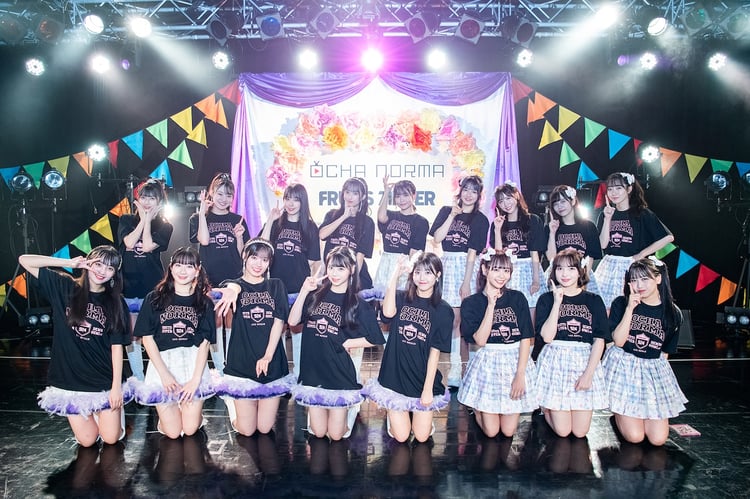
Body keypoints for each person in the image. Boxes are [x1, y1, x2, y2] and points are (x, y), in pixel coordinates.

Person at [20, 246, 132, 446]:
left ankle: (110, 417)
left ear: (114, 274)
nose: (102, 271)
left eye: (109, 268)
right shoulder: (64, 288)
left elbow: (117, 347)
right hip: (70, 379)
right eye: (98, 264)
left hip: (102, 379)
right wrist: (69, 263)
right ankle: (95, 417)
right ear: (88, 263)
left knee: (111, 438)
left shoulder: (116, 303)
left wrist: (116, 388)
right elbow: (24, 260)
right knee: (87, 442)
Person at [288, 246, 385, 441]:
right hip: (313, 370)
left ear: (351, 270)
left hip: (339, 372)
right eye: (331, 267)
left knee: (336, 435)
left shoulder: (357, 303)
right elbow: (292, 321)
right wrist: (304, 291)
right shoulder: (315, 295)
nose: (334, 273)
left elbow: (375, 338)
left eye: (341, 268)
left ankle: (350, 411)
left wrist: (348, 342)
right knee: (319, 432)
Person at [364, 252, 453, 443]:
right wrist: (396, 274)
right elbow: (387, 314)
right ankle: (395, 417)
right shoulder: (401, 297)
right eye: (418, 272)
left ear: (437, 275)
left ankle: (421, 420)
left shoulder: (443, 310)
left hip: (421, 376)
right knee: (402, 436)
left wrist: (427, 389)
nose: (422, 277)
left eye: (428, 272)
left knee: (421, 437)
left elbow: (435, 352)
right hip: (394, 375)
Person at [212, 238, 295, 436]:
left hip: (271, 361)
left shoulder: (276, 285)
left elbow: (278, 322)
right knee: (247, 431)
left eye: (264, 260)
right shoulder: (234, 286)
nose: (259, 264)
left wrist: (267, 356)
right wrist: (232, 290)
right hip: (242, 361)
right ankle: (233, 403)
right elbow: (233, 286)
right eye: (254, 258)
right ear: (244, 257)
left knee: (265, 429)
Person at [131, 247, 215, 439]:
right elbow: (147, 338)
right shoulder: (154, 298)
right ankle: (168, 417)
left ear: (197, 270)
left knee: (190, 429)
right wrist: (165, 375)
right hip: (163, 363)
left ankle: (195, 415)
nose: (183, 271)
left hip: (192, 363)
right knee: (173, 433)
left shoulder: (205, 303)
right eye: (178, 265)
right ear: (171, 267)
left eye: (189, 266)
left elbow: (204, 344)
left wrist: (195, 380)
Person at [604, 257, 687, 446]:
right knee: (635, 437)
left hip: (651, 369)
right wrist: (630, 308)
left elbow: (664, 352)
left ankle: (636, 413)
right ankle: (618, 413)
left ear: (658, 278)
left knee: (658, 440)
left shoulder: (673, 313)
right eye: (634, 280)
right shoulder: (621, 303)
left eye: (644, 279)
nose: (639, 285)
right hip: (625, 365)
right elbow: (618, 341)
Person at [458, 249, 538, 438]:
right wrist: (491, 305)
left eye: (506, 270)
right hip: (488, 363)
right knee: (491, 432)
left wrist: (520, 375)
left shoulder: (517, 298)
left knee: (509, 432)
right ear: (484, 270)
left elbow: (525, 338)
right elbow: (480, 340)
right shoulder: (471, 303)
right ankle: (478, 408)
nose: (502, 276)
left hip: (514, 361)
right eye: (496, 269)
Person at [535, 248, 608, 438]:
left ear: (580, 271)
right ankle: (547, 407)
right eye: (559, 268)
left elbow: (599, 340)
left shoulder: (594, 300)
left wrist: (588, 375)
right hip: (555, 361)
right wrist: (557, 303)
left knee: (580, 432)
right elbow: (547, 337)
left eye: (570, 268)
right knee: (563, 431)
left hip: (583, 361)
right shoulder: (546, 299)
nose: (564, 274)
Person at [429, 175, 489, 388]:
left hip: (466, 267)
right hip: (447, 264)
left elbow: (473, 252)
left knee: (465, 320)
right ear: (460, 191)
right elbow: (437, 238)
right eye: (466, 189)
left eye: (474, 191)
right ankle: (454, 366)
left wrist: (466, 282)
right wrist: (452, 215)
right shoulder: (447, 211)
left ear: (479, 195)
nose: (469, 194)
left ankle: (465, 367)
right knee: (452, 320)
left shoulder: (480, 219)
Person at [189, 172, 250, 374]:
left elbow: (244, 255)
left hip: (233, 277)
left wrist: (239, 237)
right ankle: (219, 367)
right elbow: (204, 240)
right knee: (214, 320)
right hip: (209, 277)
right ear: (211, 194)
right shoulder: (198, 218)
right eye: (220, 194)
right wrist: (202, 213)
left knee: (231, 318)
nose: (224, 199)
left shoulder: (238, 219)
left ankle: (231, 364)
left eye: (228, 195)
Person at [259, 183, 321, 378]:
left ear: (303, 202)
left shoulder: (310, 227)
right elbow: (261, 247)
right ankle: (278, 373)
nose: (291, 203)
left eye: (296, 199)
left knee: (298, 332)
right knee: (276, 332)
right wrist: (270, 221)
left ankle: (300, 374)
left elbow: (313, 260)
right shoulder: (277, 223)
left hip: (300, 289)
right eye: (288, 198)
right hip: (276, 287)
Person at [118, 178, 173, 381]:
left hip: (153, 285)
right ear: (137, 199)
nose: (147, 202)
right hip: (128, 285)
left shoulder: (165, 226)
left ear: (160, 202)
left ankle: (156, 375)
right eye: (144, 197)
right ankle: (139, 377)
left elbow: (148, 246)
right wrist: (142, 219)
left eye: (152, 198)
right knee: (132, 334)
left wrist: (148, 221)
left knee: (155, 332)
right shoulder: (125, 220)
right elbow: (129, 242)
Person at [595, 172, 674, 309]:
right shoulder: (605, 214)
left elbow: (668, 237)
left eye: (619, 188)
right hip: (609, 265)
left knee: (631, 306)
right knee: (603, 307)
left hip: (632, 264)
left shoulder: (641, 213)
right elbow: (602, 244)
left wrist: (641, 255)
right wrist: (607, 218)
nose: (614, 192)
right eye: (610, 189)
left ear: (629, 189)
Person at [491, 181, 546, 320]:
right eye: (501, 201)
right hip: (507, 271)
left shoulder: (532, 220)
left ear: (516, 196)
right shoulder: (498, 223)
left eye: (508, 198)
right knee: (509, 315)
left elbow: (535, 253)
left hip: (528, 269)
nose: (506, 203)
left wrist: (536, 280)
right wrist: (497, 230)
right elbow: (499, 254)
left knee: (531, 315)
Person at [372, 176, 429, 293]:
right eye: (398, 196)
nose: (401, 200)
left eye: (405, 195)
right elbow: (381, 217)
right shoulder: (391, 215)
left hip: (404, 265)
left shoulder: (420, 221)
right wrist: (386, 192)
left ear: (414, 195)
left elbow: (415, 252)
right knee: (381, 298)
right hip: (385, 262)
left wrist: (409, 272)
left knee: (400, 297)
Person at [319, 177, 375, 291]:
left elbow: (360, 256)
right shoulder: (332, 215)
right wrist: (343, 216)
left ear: (363, 197)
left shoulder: (367, 222)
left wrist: (352, 281)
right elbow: (322, 235)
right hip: (332, 274)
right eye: (347, 192)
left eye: (355, 193)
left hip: (355, 278)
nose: (350, 197)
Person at [545, 185, 602, 296]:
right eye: (555, 204)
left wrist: (584, 279)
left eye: (563, 201)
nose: (559, 206)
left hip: (582, 274)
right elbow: (551, 258)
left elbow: (590, 256)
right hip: (559, 275)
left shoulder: (588, 226)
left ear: (573, 201)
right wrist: (552, 233)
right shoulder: (550, 227)